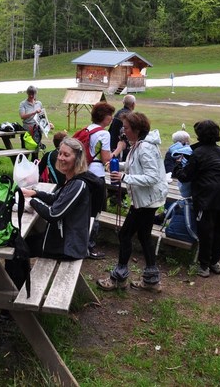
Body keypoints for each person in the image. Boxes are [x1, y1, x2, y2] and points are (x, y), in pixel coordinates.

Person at [5, 137, 96, 292]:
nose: (60, 158)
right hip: (63, 238)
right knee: (21, 243)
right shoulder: (72, 179)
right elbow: (56, 198)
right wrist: (34, 193)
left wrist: (30, 202)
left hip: (68, 246)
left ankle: (14, 301)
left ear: (78, 159)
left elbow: (54, 214)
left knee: (16, 250)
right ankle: (20, 290)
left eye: (66, 155)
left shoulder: (79, 184)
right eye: (60, 153)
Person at [97, 112, 167, 293]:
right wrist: (117, 166)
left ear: (136, 130)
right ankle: (151, 281)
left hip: (145, 202)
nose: (123, 131)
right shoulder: (138, 145)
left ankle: (119, 278)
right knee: (144, 237)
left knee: (125, 235)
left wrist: (124, 177)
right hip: (145, 200)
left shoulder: (145, 148)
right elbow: (137, 167)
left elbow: (152, 177)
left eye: (126, 128)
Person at [172, 120, 220, 278]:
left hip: (207, 196)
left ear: (199, 135)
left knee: (206, 230)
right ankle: (214, 261)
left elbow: (186, 176)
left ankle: (205, 265)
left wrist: (178, 166)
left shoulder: (197, 153)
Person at [83, 101, 115, 260]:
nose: (111, 118)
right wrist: (119, 148)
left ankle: (82, 242)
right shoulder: (104, 134)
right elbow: (106, 159)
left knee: (84, 208)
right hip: (97, 175)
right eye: (110, 115)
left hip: (84, 172)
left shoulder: (88, 129)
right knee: (95, 212)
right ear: (104, 117)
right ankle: (90, 246)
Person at [109, 94, 136, 159]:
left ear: (123, 103)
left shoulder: (118, 113)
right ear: (133, 104)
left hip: (113, 143)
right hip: (122, 146)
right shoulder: (130, 116)